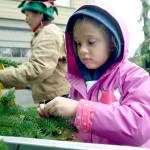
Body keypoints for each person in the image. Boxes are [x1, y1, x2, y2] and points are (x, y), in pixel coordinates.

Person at [38, 2, 150, 148]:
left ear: (112, 43)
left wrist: (78, 109)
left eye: (91, 42)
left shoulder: (135, 77)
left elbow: (140, 127)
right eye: (78, 44)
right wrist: (55, 114)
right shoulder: (79, 82)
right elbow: (76, 125)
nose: (82, 50)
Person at [0, 0, 69, 103]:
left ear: (40, 14)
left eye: (28, 15)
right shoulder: (46, 32)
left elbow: (38, 69)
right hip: (54, 97)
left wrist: (3, 75)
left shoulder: (48, 34)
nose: (26, 20)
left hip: (55, 99)